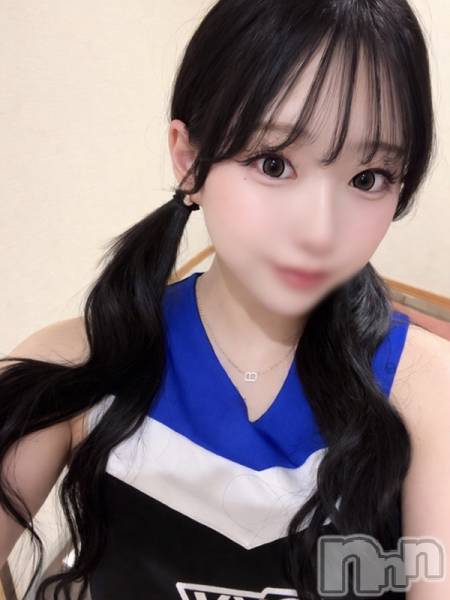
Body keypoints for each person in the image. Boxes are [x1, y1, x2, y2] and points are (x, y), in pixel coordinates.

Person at [1, 1, 449, 599]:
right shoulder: (75, 363)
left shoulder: (427, 389)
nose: (320, 231)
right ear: (190, 161)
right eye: (274, 163)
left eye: (368, 178)